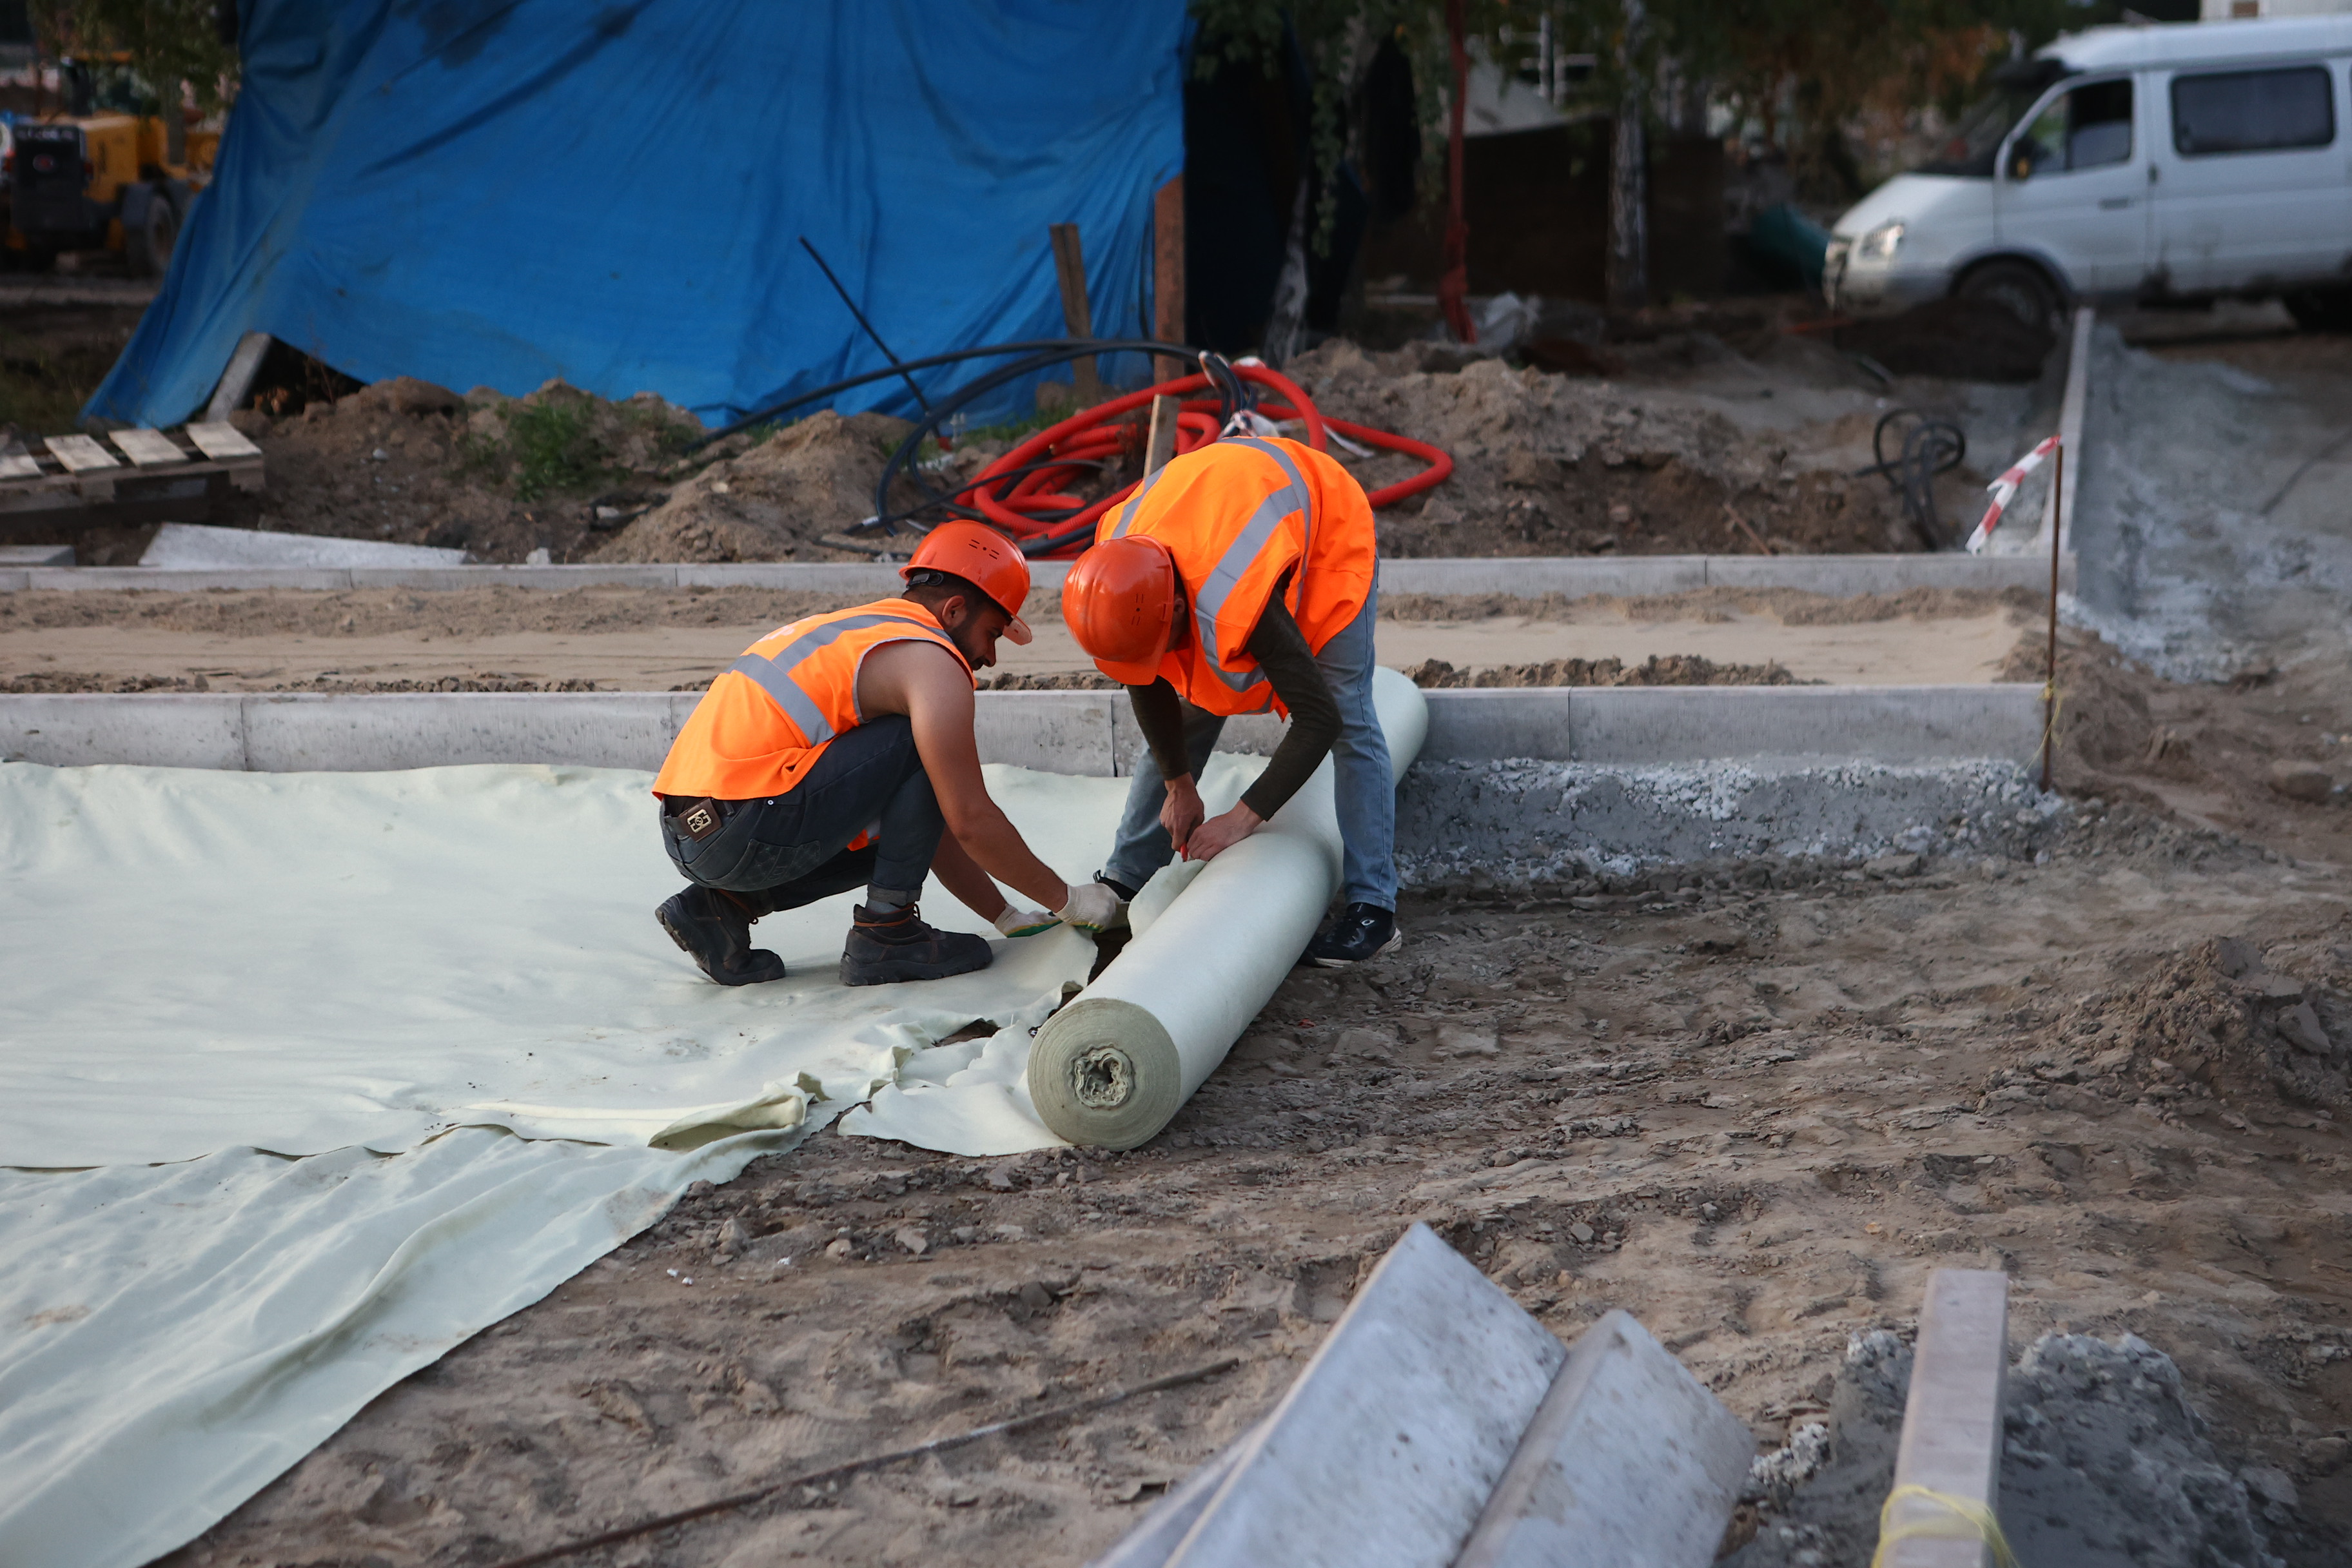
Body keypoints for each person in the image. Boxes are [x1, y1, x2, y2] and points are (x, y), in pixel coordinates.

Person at [649, 522, 1119, 986]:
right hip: (744, 826)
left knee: (910, 792)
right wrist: (1069, 900)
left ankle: (719, 910)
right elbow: (969, 819)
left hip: (694, 833)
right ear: (955, 610)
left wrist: (1005, 915)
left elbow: (922, 824)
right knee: (920, 745)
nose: (991, 658)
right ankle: (887, 935)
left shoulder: (856, 631)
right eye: (993, 633)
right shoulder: (930, 659)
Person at [1060, 432, 1398, 966]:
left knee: (1349, 712)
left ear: (1177, 607)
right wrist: (1178, 786)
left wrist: (1241, 819)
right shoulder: (1116, 576)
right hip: (1226, 507)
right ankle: (1127, 878)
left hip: (1328, 523)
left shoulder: (1234, 593)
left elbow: (1319, 720)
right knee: (1197, 699)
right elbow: (1146, 681)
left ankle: (1373, 909)